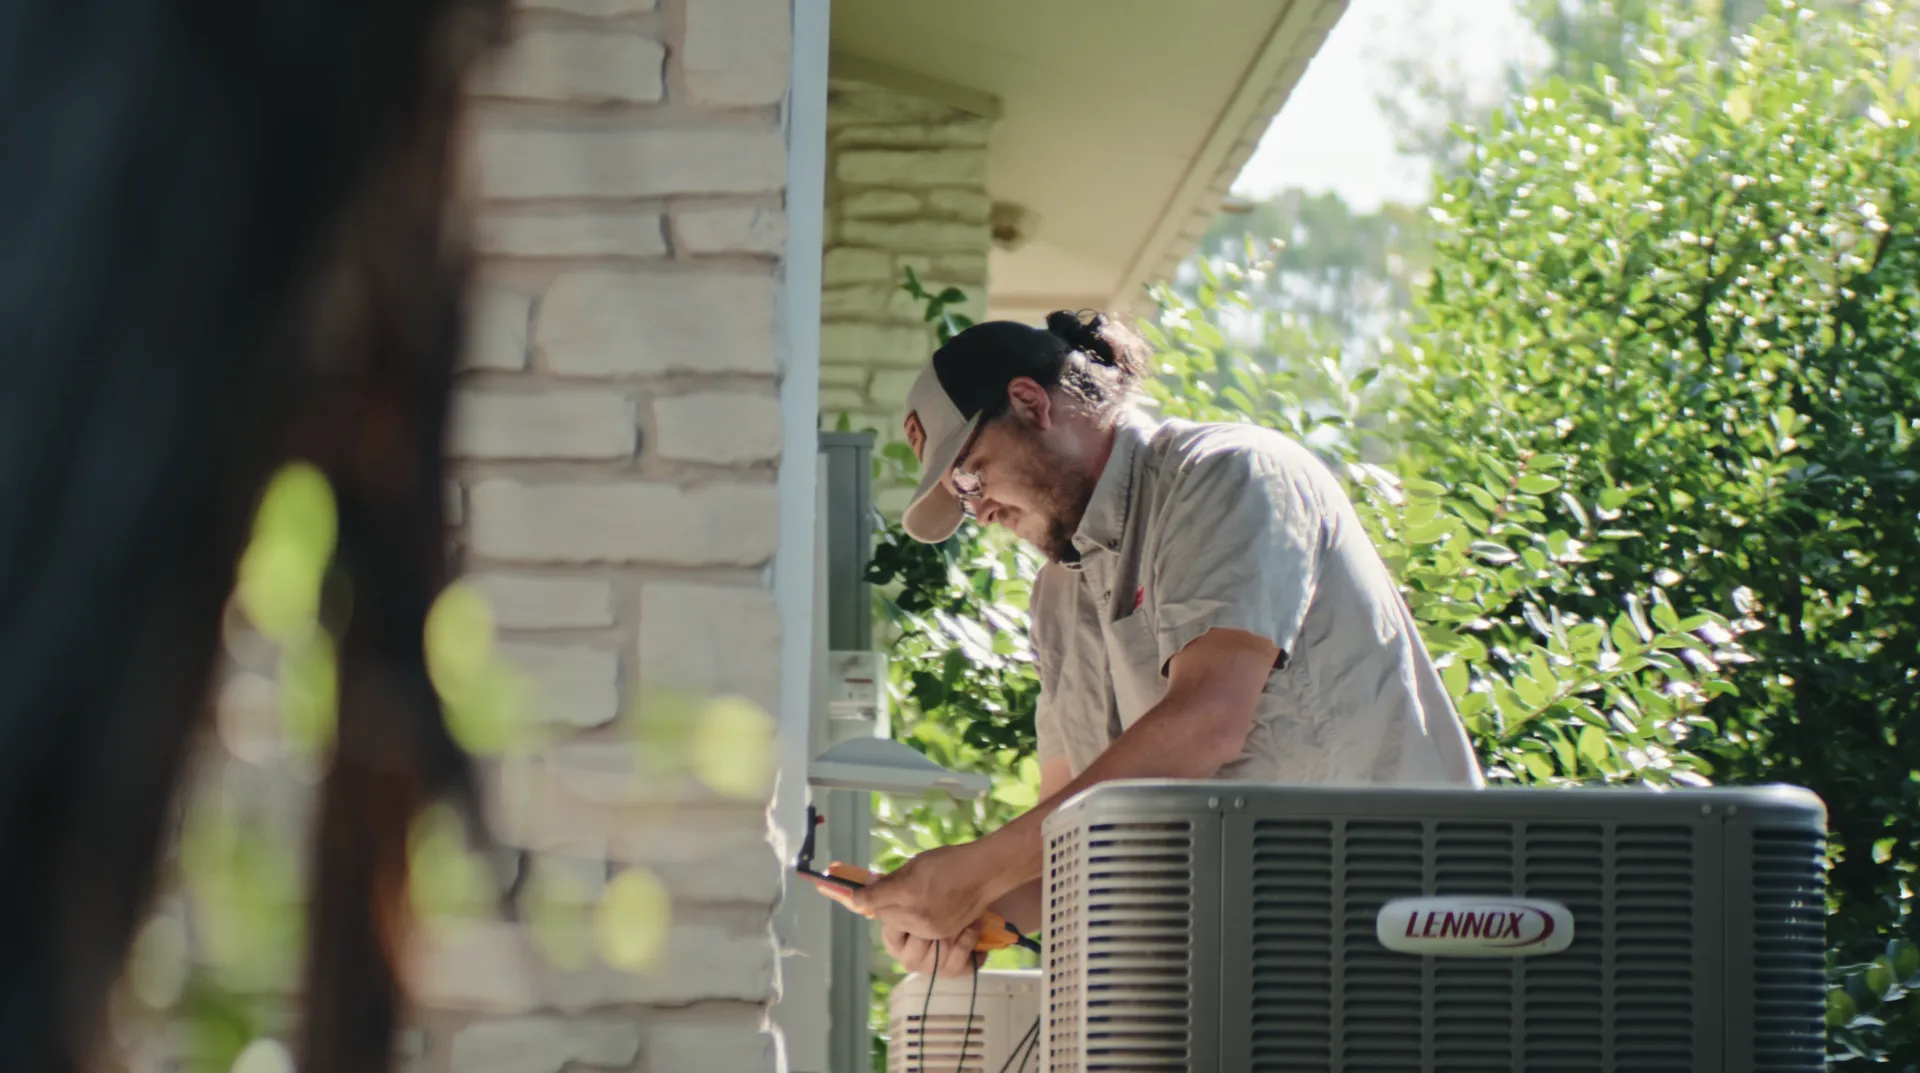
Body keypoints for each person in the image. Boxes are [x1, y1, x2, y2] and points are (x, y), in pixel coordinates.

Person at [823, 310, 1483, 978]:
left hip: (1412, 932)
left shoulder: (1231, 475)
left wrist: (975, 870)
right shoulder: (1057, 595)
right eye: (959, 501)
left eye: (969, 477)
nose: (980, 511)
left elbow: (1206, 721)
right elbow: (1072, 836)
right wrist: (971, 918)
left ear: (1029, 403)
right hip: (1271, 957)